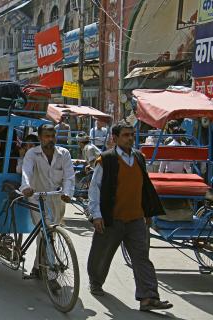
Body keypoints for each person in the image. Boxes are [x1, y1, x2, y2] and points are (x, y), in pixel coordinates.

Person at [87, 121, 173, 312]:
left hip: (135, 218)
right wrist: (96, 215)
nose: (130, 138)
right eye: (125, 135)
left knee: (142, 258)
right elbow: (94, 189)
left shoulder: (139, 157)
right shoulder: (106, 160)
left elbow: (144, 187)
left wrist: (147, 212)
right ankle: (95, 281)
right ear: (115, 138)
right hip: (112, 218)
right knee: (101, 255)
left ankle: (148, 297)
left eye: (132, 135)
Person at [20, 124, 75, 280]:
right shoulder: (32, 154)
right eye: (46, 136)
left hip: (57, 198)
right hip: (37, 197)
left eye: (52, 136)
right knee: (47, 233)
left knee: (48, 234)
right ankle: (51, 276)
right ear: (40, 138)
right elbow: (26, 171)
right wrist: (26, 186)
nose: (50, 139)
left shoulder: (64, 153)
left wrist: (67, 192)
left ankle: (37, 267)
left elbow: (69, 176)